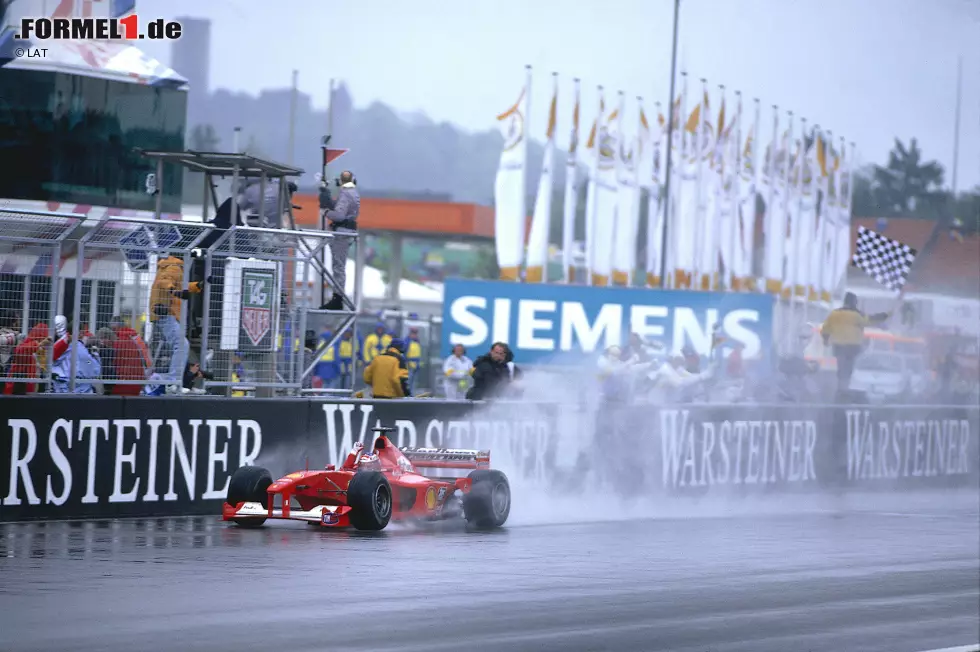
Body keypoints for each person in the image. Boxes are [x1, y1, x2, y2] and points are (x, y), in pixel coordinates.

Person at [150, 255, 204, 392]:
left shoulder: (171, 266)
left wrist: (196, 286)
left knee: (181, 348)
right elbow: (165, 282)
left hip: (167, 314)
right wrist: (175, 292)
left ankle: (180, 383)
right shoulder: (174, 267)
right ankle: (173, 382)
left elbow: (180, 285)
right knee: (181, 345)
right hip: (166, 314)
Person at [820, 291, 890, 395]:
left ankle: (841, 388)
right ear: (854, 302)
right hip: (853, 346)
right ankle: (847, 387)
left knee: (841, 367)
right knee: (850, 368)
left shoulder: (834, 314)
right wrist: (882, 317)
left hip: (838, 346)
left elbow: (825, 329)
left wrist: (826, 339)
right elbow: (868, 321)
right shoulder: (857, 315)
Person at [320, 170, 360, 311]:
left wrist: (325, 212)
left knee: (338, 267)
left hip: (342, 232)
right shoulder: (353, 193)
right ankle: (337, 297)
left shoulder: (346, 193)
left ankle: (337, 298)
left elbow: (339, 215)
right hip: (347, 232)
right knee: (339, 266)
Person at [405, 327, 423, 394]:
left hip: (416, 365)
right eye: (413, 333)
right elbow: (404, 353)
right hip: (409, 365)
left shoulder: (417, 341)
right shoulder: (407, 341)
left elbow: (418, 354)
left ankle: (412, 395)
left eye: (416, 333)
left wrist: (418, 364)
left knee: (414, 382)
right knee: (408, 382)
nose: (415, 335)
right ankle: (407, 395)